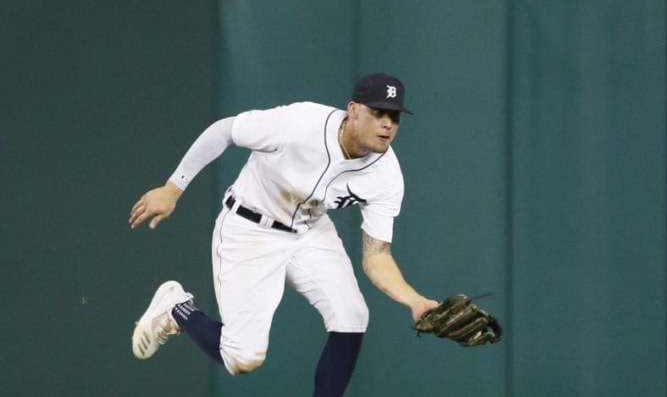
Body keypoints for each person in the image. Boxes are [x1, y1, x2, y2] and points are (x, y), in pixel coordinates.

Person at [128, 73, 439, 397]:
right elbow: (225, 131)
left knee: (352, 314)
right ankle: (177, 306)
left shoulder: (386, 176)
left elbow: (377, 257)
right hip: (249, 228)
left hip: (309, 230)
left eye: (394, 116)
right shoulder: (299, 123)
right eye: (378, 112)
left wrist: (414, 301)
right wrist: (173, 188)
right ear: (353, 110)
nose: (387, 123)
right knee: (241, 357)